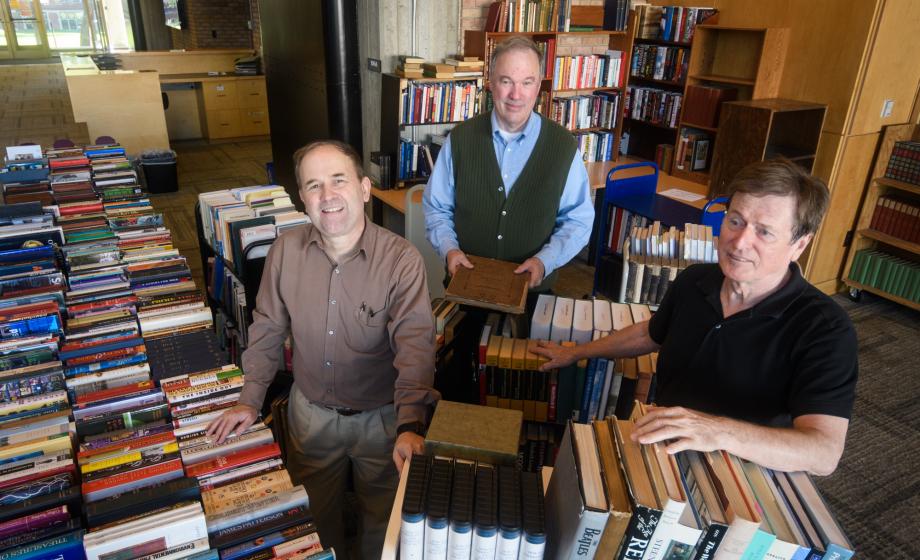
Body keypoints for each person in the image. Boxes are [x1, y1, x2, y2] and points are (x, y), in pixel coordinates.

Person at [532, 158, 858, 476]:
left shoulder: (825, 328)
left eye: (764, 232)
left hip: (744, 475)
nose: (740, 242)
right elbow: (651, 334)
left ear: (799, 245)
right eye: (735, 221)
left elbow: (823, 453)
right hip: (666, 450)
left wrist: (716, 431)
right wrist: (577, 352)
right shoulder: (695, 279)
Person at [206, 140, 439, 559]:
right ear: (302, 197)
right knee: (313, 523)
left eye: (338, 180)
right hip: (310, 417)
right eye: (314, 185)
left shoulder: (401, 260)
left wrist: (410, 424)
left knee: (383, 523)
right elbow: (267, 328)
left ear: (364, 189)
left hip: (383, 421)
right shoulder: (284, 251)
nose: (327, 196)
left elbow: (415, 347)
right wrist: (248, 400)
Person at [423, 36, 594, 292]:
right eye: (506, 81)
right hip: (465, 290)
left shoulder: (563, 146)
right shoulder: (459, 139)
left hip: (534, 295)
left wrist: (544, 261)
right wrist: (449, 250)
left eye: (527, 82)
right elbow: (436, 208)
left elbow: (578, 221)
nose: (516, 94)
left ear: (538, 86)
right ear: (491, 83)